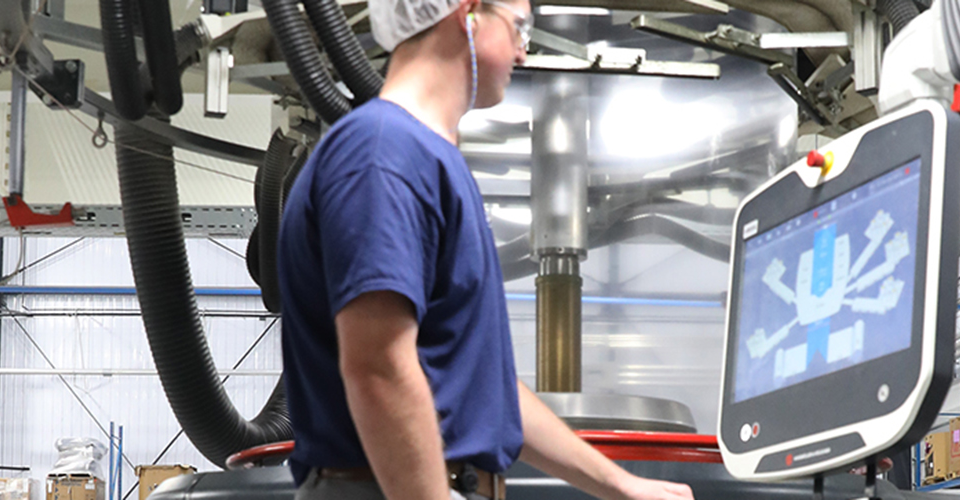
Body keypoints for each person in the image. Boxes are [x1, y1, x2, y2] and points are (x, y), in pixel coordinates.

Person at [274, 0, 697, 499]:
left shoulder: (426, 157)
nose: (523, 52)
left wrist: (620, 485)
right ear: (468, 12)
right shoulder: (383, 151)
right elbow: (379, 366)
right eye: (519, 26)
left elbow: (484, 394)